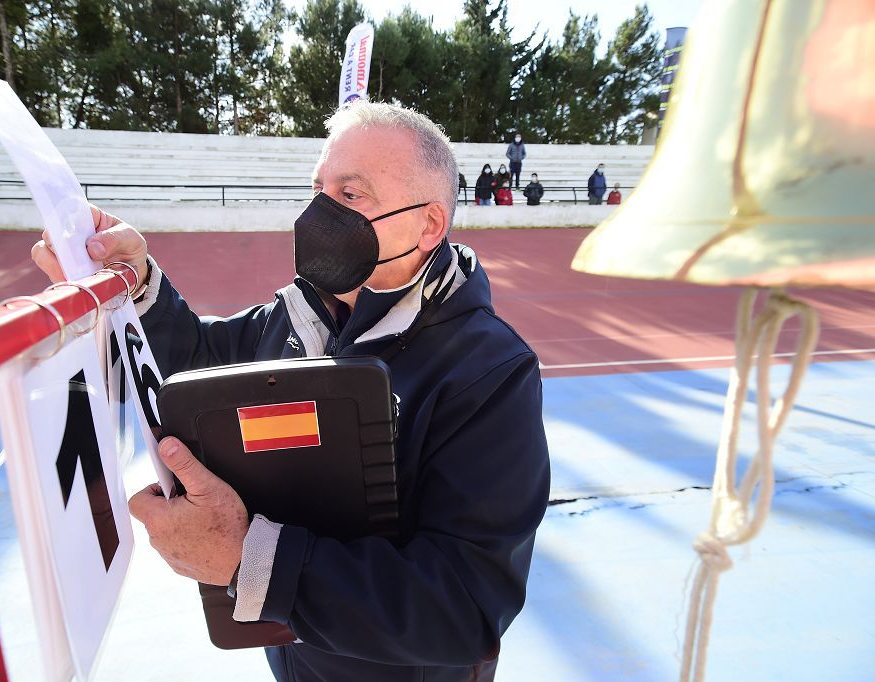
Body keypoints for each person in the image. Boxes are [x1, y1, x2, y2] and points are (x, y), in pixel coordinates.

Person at [31, 101, 550, 682]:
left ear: (429, 224)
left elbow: (465, 606)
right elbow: (200, 363)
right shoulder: (301, 315)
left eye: (350, 195)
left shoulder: (490, 372)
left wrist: (245, 560)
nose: (320, 212)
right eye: (318, 189)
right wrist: (138, 280)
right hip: (297, 661)